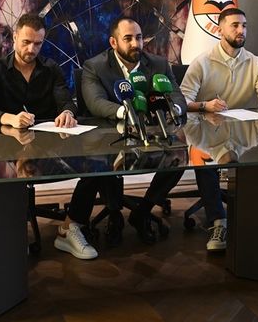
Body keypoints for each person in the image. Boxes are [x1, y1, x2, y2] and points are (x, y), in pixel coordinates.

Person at [0, 13, 98, 260]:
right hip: (7, 147)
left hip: (48, 145)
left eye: (38, 44)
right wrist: (9, 118)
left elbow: (67, 102)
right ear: (14, 38)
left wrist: (67, 112)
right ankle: (10, 233)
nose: (31, 49)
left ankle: (69, 227)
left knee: (95, 168)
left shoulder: (51, 68)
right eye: (26, 42)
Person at [179, 7, 258, 251]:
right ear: (220, 30)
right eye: (235, 25)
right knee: (205, 165)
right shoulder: (202, 62)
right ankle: (218, 223)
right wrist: (205, 105)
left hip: (243, 136)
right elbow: (182, 100)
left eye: (244, 26)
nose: (241, 30)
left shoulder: (254, 62)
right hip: (205, 135)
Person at [80, 16, 188, 245]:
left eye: (138, 38)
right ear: (113, 42)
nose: (135, 44)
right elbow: (95, 102)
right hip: (110, 136)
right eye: (127, 38)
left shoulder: (158, 64)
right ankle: (114, 214)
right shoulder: (95, 66)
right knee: (104, 160)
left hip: (152, 134)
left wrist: (174, 109)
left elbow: (177, 96)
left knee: (179, 157)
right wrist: (126, 112)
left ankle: (143, 210)